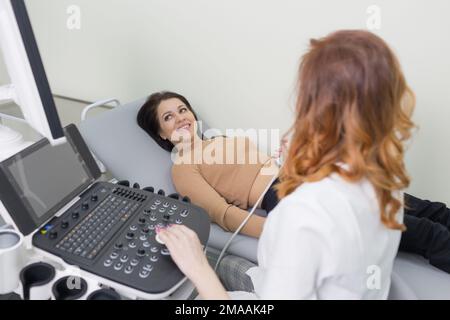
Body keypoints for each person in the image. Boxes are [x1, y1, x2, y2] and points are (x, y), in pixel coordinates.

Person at [137, 30, 450, 298]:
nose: (180, 117)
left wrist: (296, 162)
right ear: (162, 135)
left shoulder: (220, 140)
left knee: (427, 209)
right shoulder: (183, 166)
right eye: (168, 117)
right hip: (278, 190)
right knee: (423, 230)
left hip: (299, 176)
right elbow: (223, 214)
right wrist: (273, 227)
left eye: (182, 109)